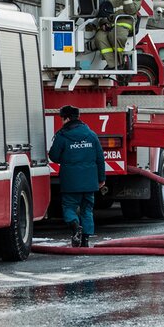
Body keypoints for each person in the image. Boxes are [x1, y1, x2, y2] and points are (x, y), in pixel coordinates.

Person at [48, 105, 106, 247]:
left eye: (62, 118)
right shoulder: (91, 135)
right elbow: (100, 159)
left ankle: (75, 227)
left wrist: (66, 158)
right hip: (90, 181)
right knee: (87, 210)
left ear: (67, 118)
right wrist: (101, 179)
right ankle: (85, 241)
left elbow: (54, 156)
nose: (62, 121)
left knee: (69, 207)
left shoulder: (62, 136)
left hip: (70, 181)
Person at [94, 0, 142, 69]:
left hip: (126, 24)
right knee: (99, 37)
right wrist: (103, 23)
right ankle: (113, 64)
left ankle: (120, 61)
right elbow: (104, 11)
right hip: (111, 24)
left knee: (116, 35)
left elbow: (130, 11)